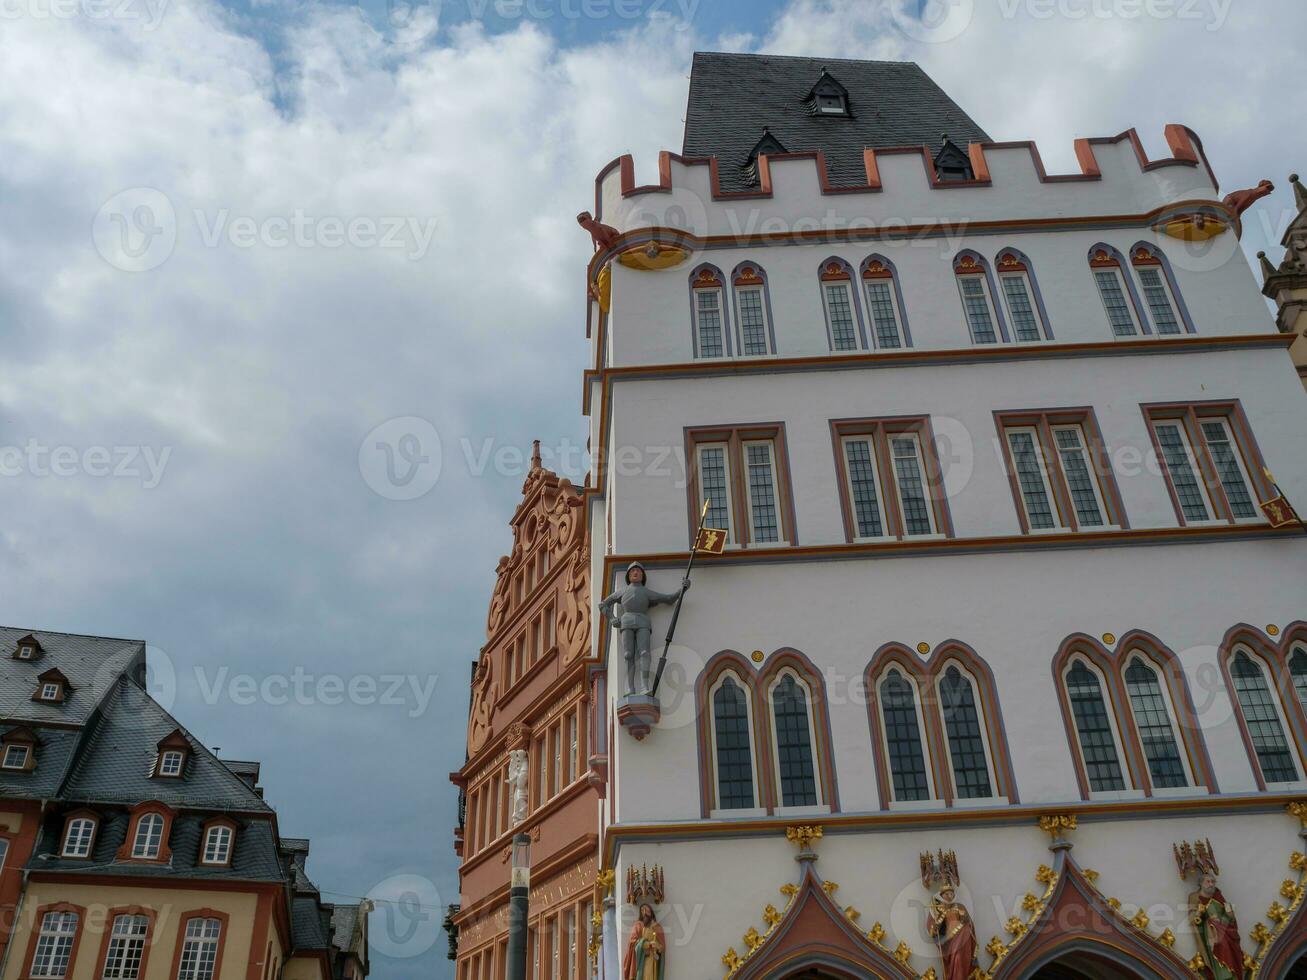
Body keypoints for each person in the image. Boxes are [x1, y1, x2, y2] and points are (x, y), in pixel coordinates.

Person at [597, 562, 689, 697]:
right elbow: (603, 604)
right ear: (628, 575)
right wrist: (612, 618)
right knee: (628, 655)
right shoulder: (622, 591)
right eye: (633, 571)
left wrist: (682, 589)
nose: (635, 573)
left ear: (642, 575)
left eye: (638, 571)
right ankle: (630, 688)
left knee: (644, 653)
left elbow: (668, 599)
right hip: (626, 621)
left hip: (643, 621)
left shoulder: (646, 592)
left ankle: (644, 686)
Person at [1190, 873, 1245, 980]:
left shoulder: (1218, 896)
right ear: (1201, 884)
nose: (1211, 884)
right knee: (1219, 948)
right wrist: (1198, 913)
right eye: (1208, 881)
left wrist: (1229, 916)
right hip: (1211, 934)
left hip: (1225, 931)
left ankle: (1232, 974)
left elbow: (1230, 918)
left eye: (1213, 882)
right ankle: (1222, 976)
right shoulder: (1195, 898)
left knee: (1228, 950)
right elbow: (1194, 921)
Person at [926, 885, 977, 980]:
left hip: (962, 935)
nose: (949, 896)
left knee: (960, 957)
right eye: (946, 894)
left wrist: (963, 918)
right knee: (956, 957)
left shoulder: (959, 906)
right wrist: (937, 924)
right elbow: (933, 928)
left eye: (951, 893)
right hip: (949, 940)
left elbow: (967, 921)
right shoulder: (938, 908)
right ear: (941, 895)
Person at [622, 903, 665, 980]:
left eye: (647, 910)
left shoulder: (657, 927)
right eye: (642, 910)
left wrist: (658, 946)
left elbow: (662, 947)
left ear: (651, 912)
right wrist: (648, 944)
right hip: (640, 959)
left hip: (653, 959)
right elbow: (633, 942)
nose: (645, 912)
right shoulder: (638, 926)